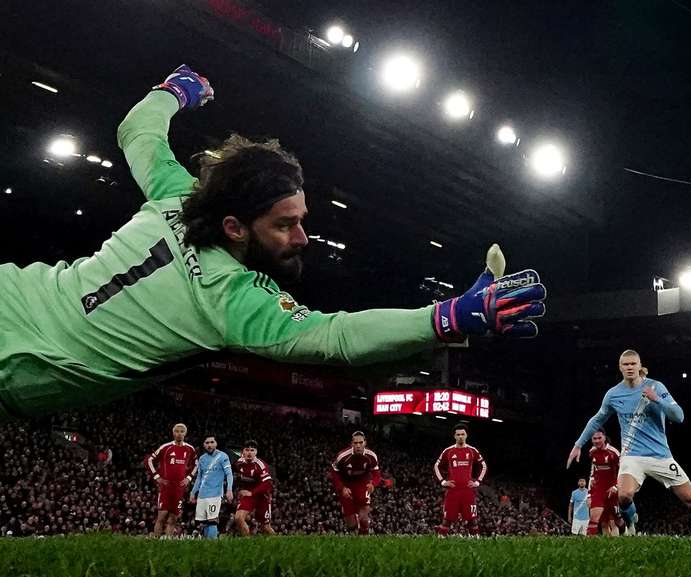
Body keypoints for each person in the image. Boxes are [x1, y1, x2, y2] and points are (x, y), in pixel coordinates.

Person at [0, 64, 547, 420]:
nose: (303, 236)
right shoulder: (230, 301)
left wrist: (172, 92)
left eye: (301, 217)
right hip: (23, 367)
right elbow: (337, 336)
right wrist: (443, 317)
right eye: (284, 224)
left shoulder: (177, 195)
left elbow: (137, 131)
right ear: (235, 227)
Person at [567, 350, 691, 536]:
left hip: (661, 456)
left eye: (633, 364)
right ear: (620, 367)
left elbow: (679, 416)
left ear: (640, 365)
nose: (630, 367)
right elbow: (597, 420)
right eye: (626, 364)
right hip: (632, 455)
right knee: (624, 495)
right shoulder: (613, 394)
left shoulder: (656, 387)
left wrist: (656, 400)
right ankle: (631, 521)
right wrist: (578, 444)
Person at [144, 423, 197, 538]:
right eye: (177, 431)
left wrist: (188, 478)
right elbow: (149, 460)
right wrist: (157, 476)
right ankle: (156, 541)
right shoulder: (166, 447)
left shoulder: (189, 449)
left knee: (173, 518)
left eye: (182, 431)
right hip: (166, 488)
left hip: (179, 489)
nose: (179, 433)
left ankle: (167, 543)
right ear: (173, 433)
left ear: (185, 434)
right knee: (161, 516)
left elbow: (196, 464)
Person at [434, 423, 486, 537]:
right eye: (458, 434)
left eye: (463, 434)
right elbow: (436, 466)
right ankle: (439, 541)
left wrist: (478, 481)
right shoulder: (448, 451)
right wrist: (443, 481)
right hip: (453, 491)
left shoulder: (472, 451)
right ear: (454, 436)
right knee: (447, 519)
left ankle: (476, 542)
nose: (460, 437)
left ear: (467, 435)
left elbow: (484, 465)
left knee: (472, 519)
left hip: (467, 490)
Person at [329, 431, 381, 535]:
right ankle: (353, 533)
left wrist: (373, 484)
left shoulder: (371, 456)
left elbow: (377, 475)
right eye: (356, 443)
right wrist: (342, 487)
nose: (358, 445)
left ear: (365, 443)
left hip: (362, 483)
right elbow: (334, 473)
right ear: (351, 444)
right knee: (350, 523)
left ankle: (364, 537)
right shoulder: (342, 456)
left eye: (360, 442)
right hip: (346, 484)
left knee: (364, 515)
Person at [189, 434, 233, 539]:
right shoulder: (202, 459)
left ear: (216, 443)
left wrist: (229, 489)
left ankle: (212, 543)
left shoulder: (223, 456)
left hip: (215, 494)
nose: (209, 445)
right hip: (202, 494)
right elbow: (199, 478)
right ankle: (206, 544)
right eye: (207, 443)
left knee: (212, 520)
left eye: (212, 442)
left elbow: (229, 474)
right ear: (204, 445)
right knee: (203, 522)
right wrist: (192, 492)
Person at [233, 440, 275, 536]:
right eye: (247, 450)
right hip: (248, 496)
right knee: (238, 518)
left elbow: (268, 484)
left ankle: (279, 545)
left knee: (265, 527)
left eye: (252, 450)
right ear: (242, 452)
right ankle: (247, 544)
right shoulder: (238, 463)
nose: (249, 453)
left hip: (262, 497)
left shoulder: (260, 465)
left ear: (256, 452)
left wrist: (252, 492)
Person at [587, 429, 624, 536]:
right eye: (594, 438)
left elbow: (623, 472)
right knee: (597, 519)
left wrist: (616, 487)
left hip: (612, 490)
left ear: (604, 437)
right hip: (598, 489)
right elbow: (592, 472)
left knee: (615, 520)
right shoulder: (592, 452)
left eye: (599, 438)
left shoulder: (614, 453)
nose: (597, 441)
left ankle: (626, 533)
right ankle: (589, 548)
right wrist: (589, 494)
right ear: (591, 439)